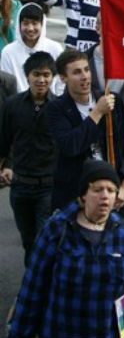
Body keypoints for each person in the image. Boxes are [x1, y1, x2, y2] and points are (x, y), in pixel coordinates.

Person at [8, 160, 124, 338]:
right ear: (84, 194)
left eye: (111, 190)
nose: (105, 196)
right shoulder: (57, 230)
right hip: (62, 330)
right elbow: (33, 289)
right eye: (97, 189)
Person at [46, 50, 124, 218]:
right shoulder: (56, 109)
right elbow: (70, 146)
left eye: (87, 69)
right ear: (63, 78)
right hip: (75, 197)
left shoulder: (112, 101)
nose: (84, 76)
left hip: (113, 195)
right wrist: (97, 113)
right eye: (76, 72)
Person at [0, 52, 55, 267]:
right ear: (27, 76)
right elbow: (4, 142)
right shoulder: (12, 105)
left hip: (48, 187)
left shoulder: (60, 108)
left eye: (46, 75)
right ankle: (32, 289)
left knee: (42, 240)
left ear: (53, 77)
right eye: (36, 74)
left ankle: (34, 292)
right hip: (20, 186)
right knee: (28, 241)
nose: (41, 80)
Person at [0, 3, 62, 93]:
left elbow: (61, 82)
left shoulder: (55, 48)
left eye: (35, 23)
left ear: (42, 24)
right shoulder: (8, 52)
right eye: (26, 23)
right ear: (19, 24)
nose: (30, 28)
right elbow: (6, 85)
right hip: (18, 104)